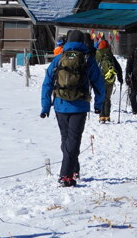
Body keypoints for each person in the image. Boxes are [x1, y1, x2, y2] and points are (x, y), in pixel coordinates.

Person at [40, 29, 105, 187]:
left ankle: (73, 169)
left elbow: (47, 83)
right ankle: (66, 175)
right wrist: (98, 105)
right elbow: (99, 84)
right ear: (82, 42)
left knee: (66, 140)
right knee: (73, 141)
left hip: (60, 106)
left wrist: (45, 106)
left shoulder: (59, 58)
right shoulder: (88, 59)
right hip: (79, 106)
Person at [94, 39, 124, 123]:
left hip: (99, 81)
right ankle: (107, 116)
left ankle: (101, 116)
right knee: (107, 98)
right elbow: (118, 68)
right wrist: (120, 78)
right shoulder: (110, 56)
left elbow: (92, 68)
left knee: (101, 97)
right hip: (109, 81)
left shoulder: (97, 55)